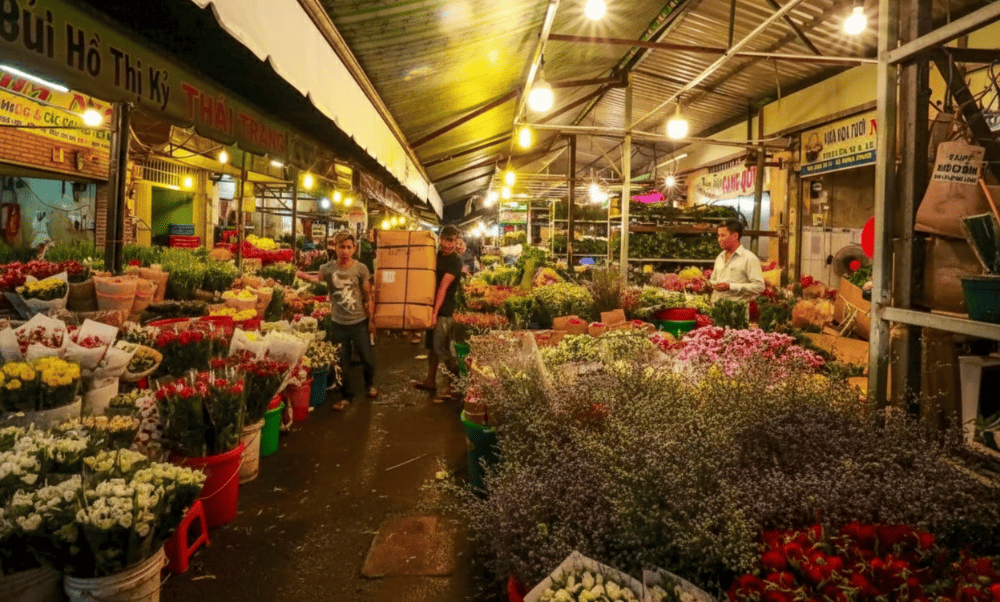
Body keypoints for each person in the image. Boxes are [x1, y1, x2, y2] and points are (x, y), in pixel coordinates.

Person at [319, 230, 378, 410]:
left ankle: (369, 385)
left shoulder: (360, 268)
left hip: (359, 322)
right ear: (334, 247)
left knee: (367, 359)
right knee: (341, 363)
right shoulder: (326, 269)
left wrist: (371, 320)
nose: (345, 251)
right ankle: (346, 396)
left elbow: (368, 297)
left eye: (348, 247)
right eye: (341, 247)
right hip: (338, 323)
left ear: (354, 249)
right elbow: (319, 289)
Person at [414, 225, 463, 403]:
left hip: (444, 310)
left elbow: (443, 288)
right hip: (430, 307)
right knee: (431, 348)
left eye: (451, 241)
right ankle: (430, 380)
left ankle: (452, 387)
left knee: (442, 349)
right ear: (439, 239)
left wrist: (434, 314)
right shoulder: (435, 256)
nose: (447, 245)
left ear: (456, 241)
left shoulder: (455, 261)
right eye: (445, 240)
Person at [708, 219, 765, 304]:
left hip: (737, 312)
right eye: (718, 236)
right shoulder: (720, 257)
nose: (719, 239)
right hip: (717, 309)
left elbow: (759, 287)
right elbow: (713, 280)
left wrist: (731, 286)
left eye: (723, 235)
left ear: (735, 236)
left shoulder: (749, 258)